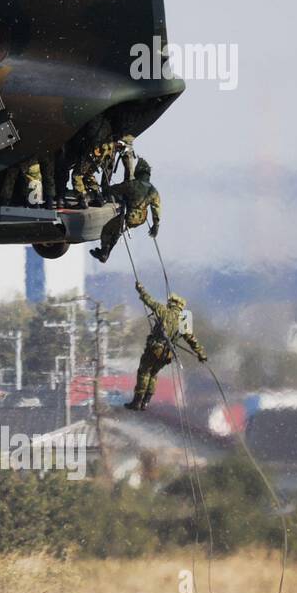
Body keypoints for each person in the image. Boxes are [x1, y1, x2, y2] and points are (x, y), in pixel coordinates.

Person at [128, 281, 208, 411]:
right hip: (166, 355)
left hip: (154, 349)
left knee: (144, 372)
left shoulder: (163, 311)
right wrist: (201, 354)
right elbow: (192, 340)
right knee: (153, 374)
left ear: (171, 303)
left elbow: (149, 301)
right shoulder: (183, 321)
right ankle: (146, 402)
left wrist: (140, 289)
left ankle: (137, 401)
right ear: (181, 307)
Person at [90, 157, 160, 263]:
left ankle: (104, 252)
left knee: (107, 229)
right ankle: (105, 253)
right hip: (141, 219)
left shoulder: (133, 184)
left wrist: (106, 190)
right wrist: (156, 225)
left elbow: (115, 189)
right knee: (117, 231)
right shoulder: (153, 190)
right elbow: (156, 209)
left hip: (129, 216)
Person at [70, 115, 114, 207]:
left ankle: (82, 200)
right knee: (88, 174)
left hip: (94, 151)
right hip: (105, 152)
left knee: (77, 175)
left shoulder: (92, 120)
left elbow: (88, 135)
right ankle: (99, 197)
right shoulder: (105, 122)